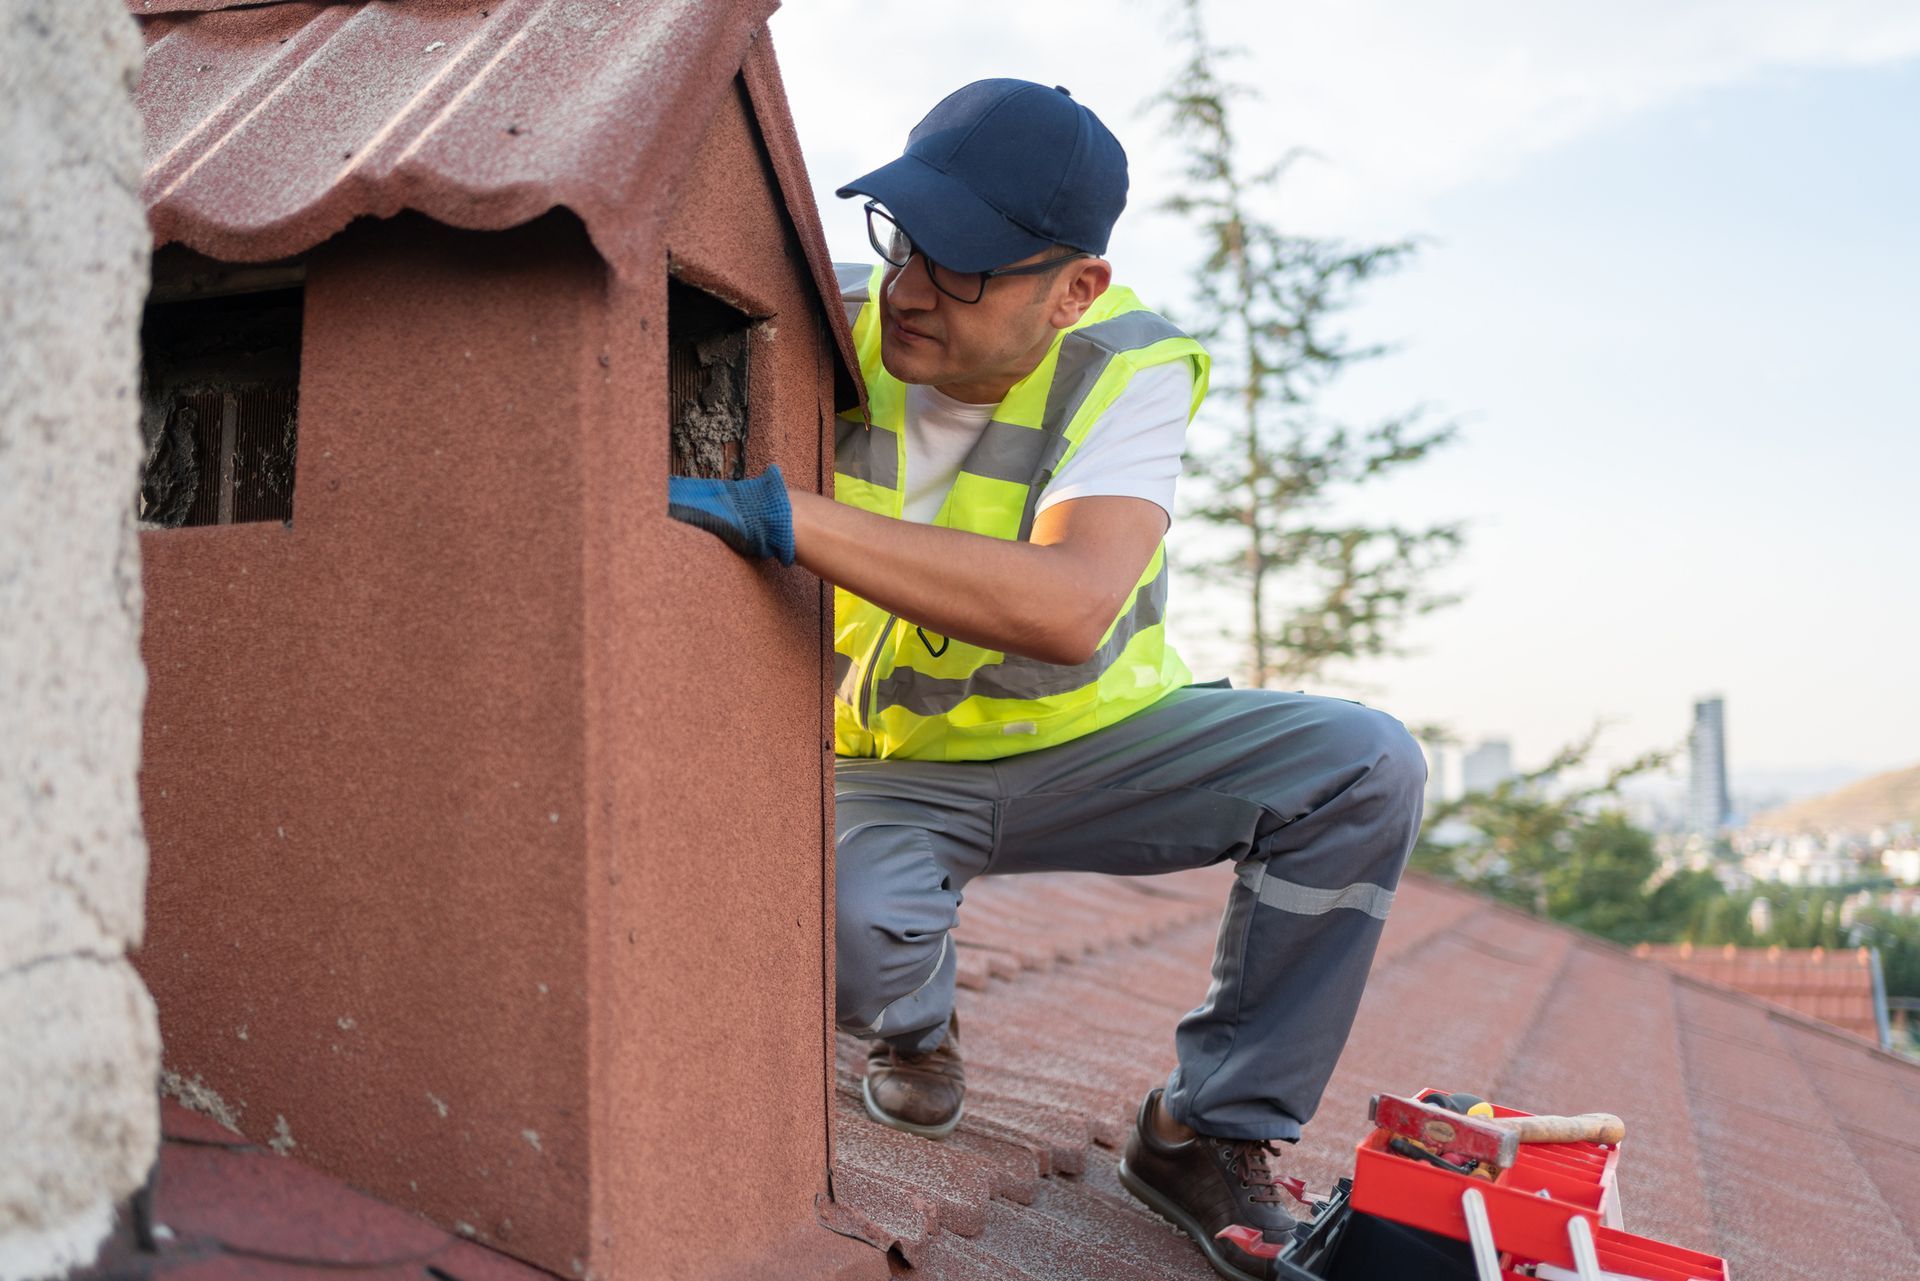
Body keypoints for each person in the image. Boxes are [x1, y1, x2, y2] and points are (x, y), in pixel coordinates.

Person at [667, 78, 1425, 1281]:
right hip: (896, 770)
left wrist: (790, 518)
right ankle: (917, 1017)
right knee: (856, 943)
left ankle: (1203, 1131)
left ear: (1077, 291)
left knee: (1364, 765)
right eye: (908, 239)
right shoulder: (827, 323)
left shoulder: (1130, 368)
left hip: (1096, 747)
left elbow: (1071, 609)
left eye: (965, 265)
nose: (913, 288)